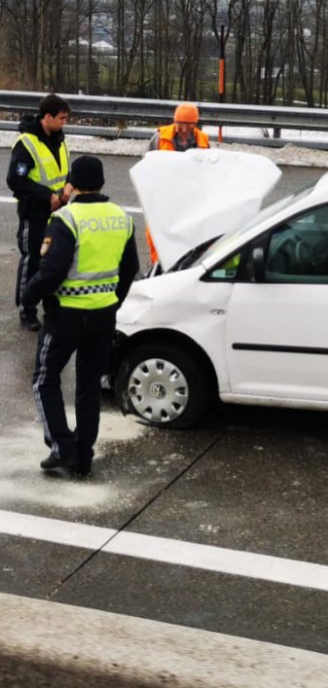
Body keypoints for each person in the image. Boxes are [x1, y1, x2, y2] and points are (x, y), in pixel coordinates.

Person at [22, 156, 140, 477]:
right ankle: (83, 454)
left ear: (72, 183)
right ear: (102, 183)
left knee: (45, 379)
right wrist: (114, 302)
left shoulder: (66, 218)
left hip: (66, 317)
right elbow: (130, 268)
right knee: (88, 385)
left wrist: (28, 298)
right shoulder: (122, 218)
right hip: (103, 317)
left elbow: (51, 271)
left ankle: (62, 447)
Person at [7, 94, 71, 332]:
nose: (65, 122)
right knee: (32, 261)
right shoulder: (27, 143)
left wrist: (68, 186)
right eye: (62, 118)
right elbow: (15, 180)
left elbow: (66, 170)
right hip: (34, 212)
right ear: (48, 117)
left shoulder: (60, 140)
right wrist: (47, 195)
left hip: (58, 212)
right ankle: (26, 309)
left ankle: (50, 305)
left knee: (54, 261)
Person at [144, 102, 210, 266]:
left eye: (188, 124)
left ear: (194, 124)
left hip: (191, 198)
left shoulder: (202, 140)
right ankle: (158, 265)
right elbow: (146, 165)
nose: (184, 128)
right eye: (180, 123)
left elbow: (208, 168)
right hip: (165, 197)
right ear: (175, 121)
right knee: (157, 234)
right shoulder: (159, 138)